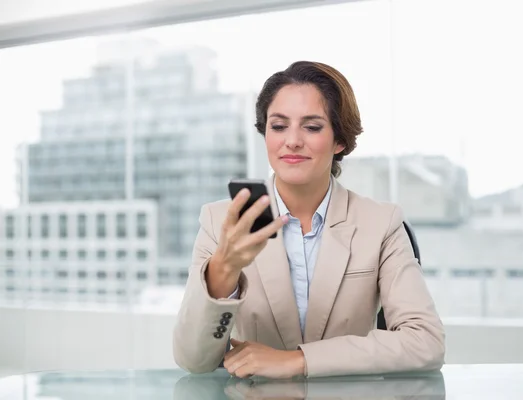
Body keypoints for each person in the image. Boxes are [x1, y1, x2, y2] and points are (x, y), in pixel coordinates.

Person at [173, 61, 445, 379]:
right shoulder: (221, 220)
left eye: (312, 127)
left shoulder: (380, 223)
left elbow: (426, 342)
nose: (292, 141)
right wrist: (223, 271)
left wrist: (298, 361)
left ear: (339, 140)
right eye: (278, 126)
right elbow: (193, 360)